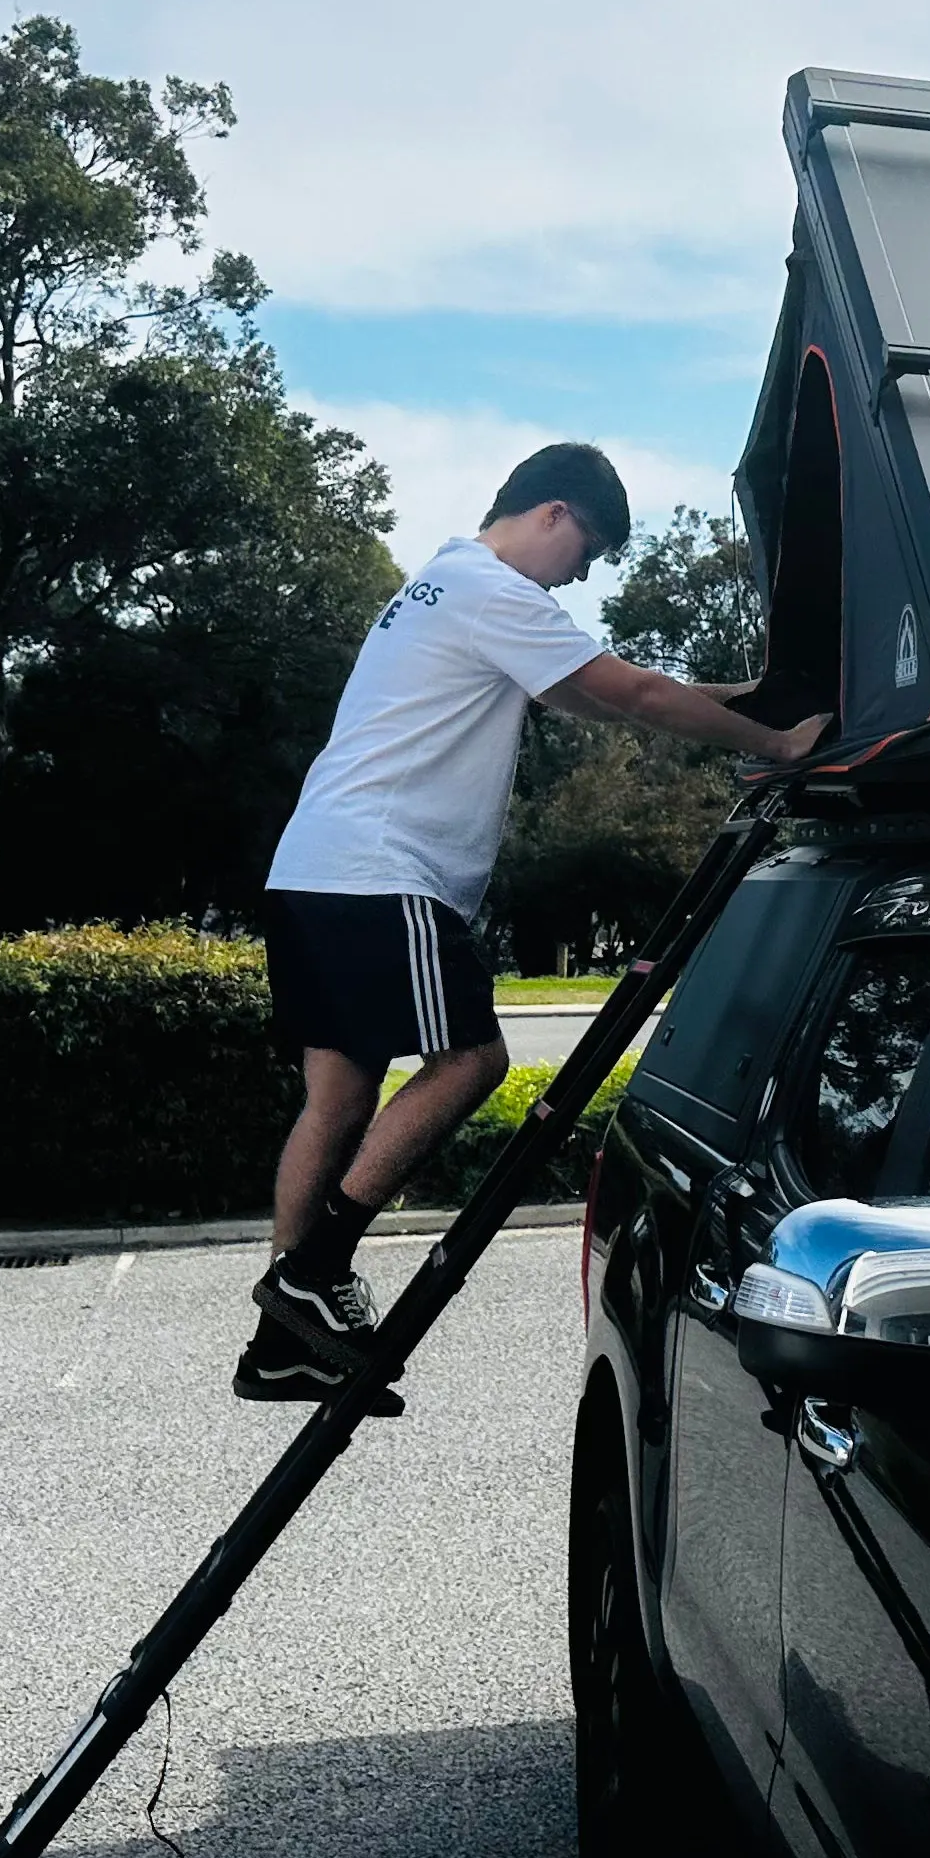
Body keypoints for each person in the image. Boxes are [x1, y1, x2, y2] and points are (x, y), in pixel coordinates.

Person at [239, 441, 825, 1402]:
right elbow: (626, 692)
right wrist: (775, 742)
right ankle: (310, 1274)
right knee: (473, 1063)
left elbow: (591, 697)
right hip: (381, 870)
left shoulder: (441, 586)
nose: (584, 575)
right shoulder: (491, 592)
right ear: (553, 512)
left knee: (337, 1100)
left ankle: (280, 1343)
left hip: (312, 871)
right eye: (588, 550)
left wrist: (746, 700)